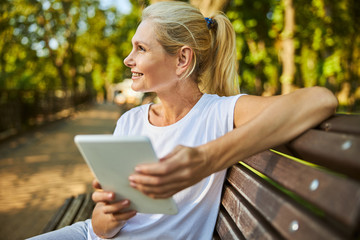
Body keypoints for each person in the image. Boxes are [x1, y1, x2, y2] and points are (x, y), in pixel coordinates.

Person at [28, 1, 338, 240]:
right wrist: (107, 218)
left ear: (182, 60)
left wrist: (206, 159)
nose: (128, 59)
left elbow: (320, 100)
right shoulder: (130, 121)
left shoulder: (218, 112)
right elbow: (99, 226)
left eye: (141, 48)